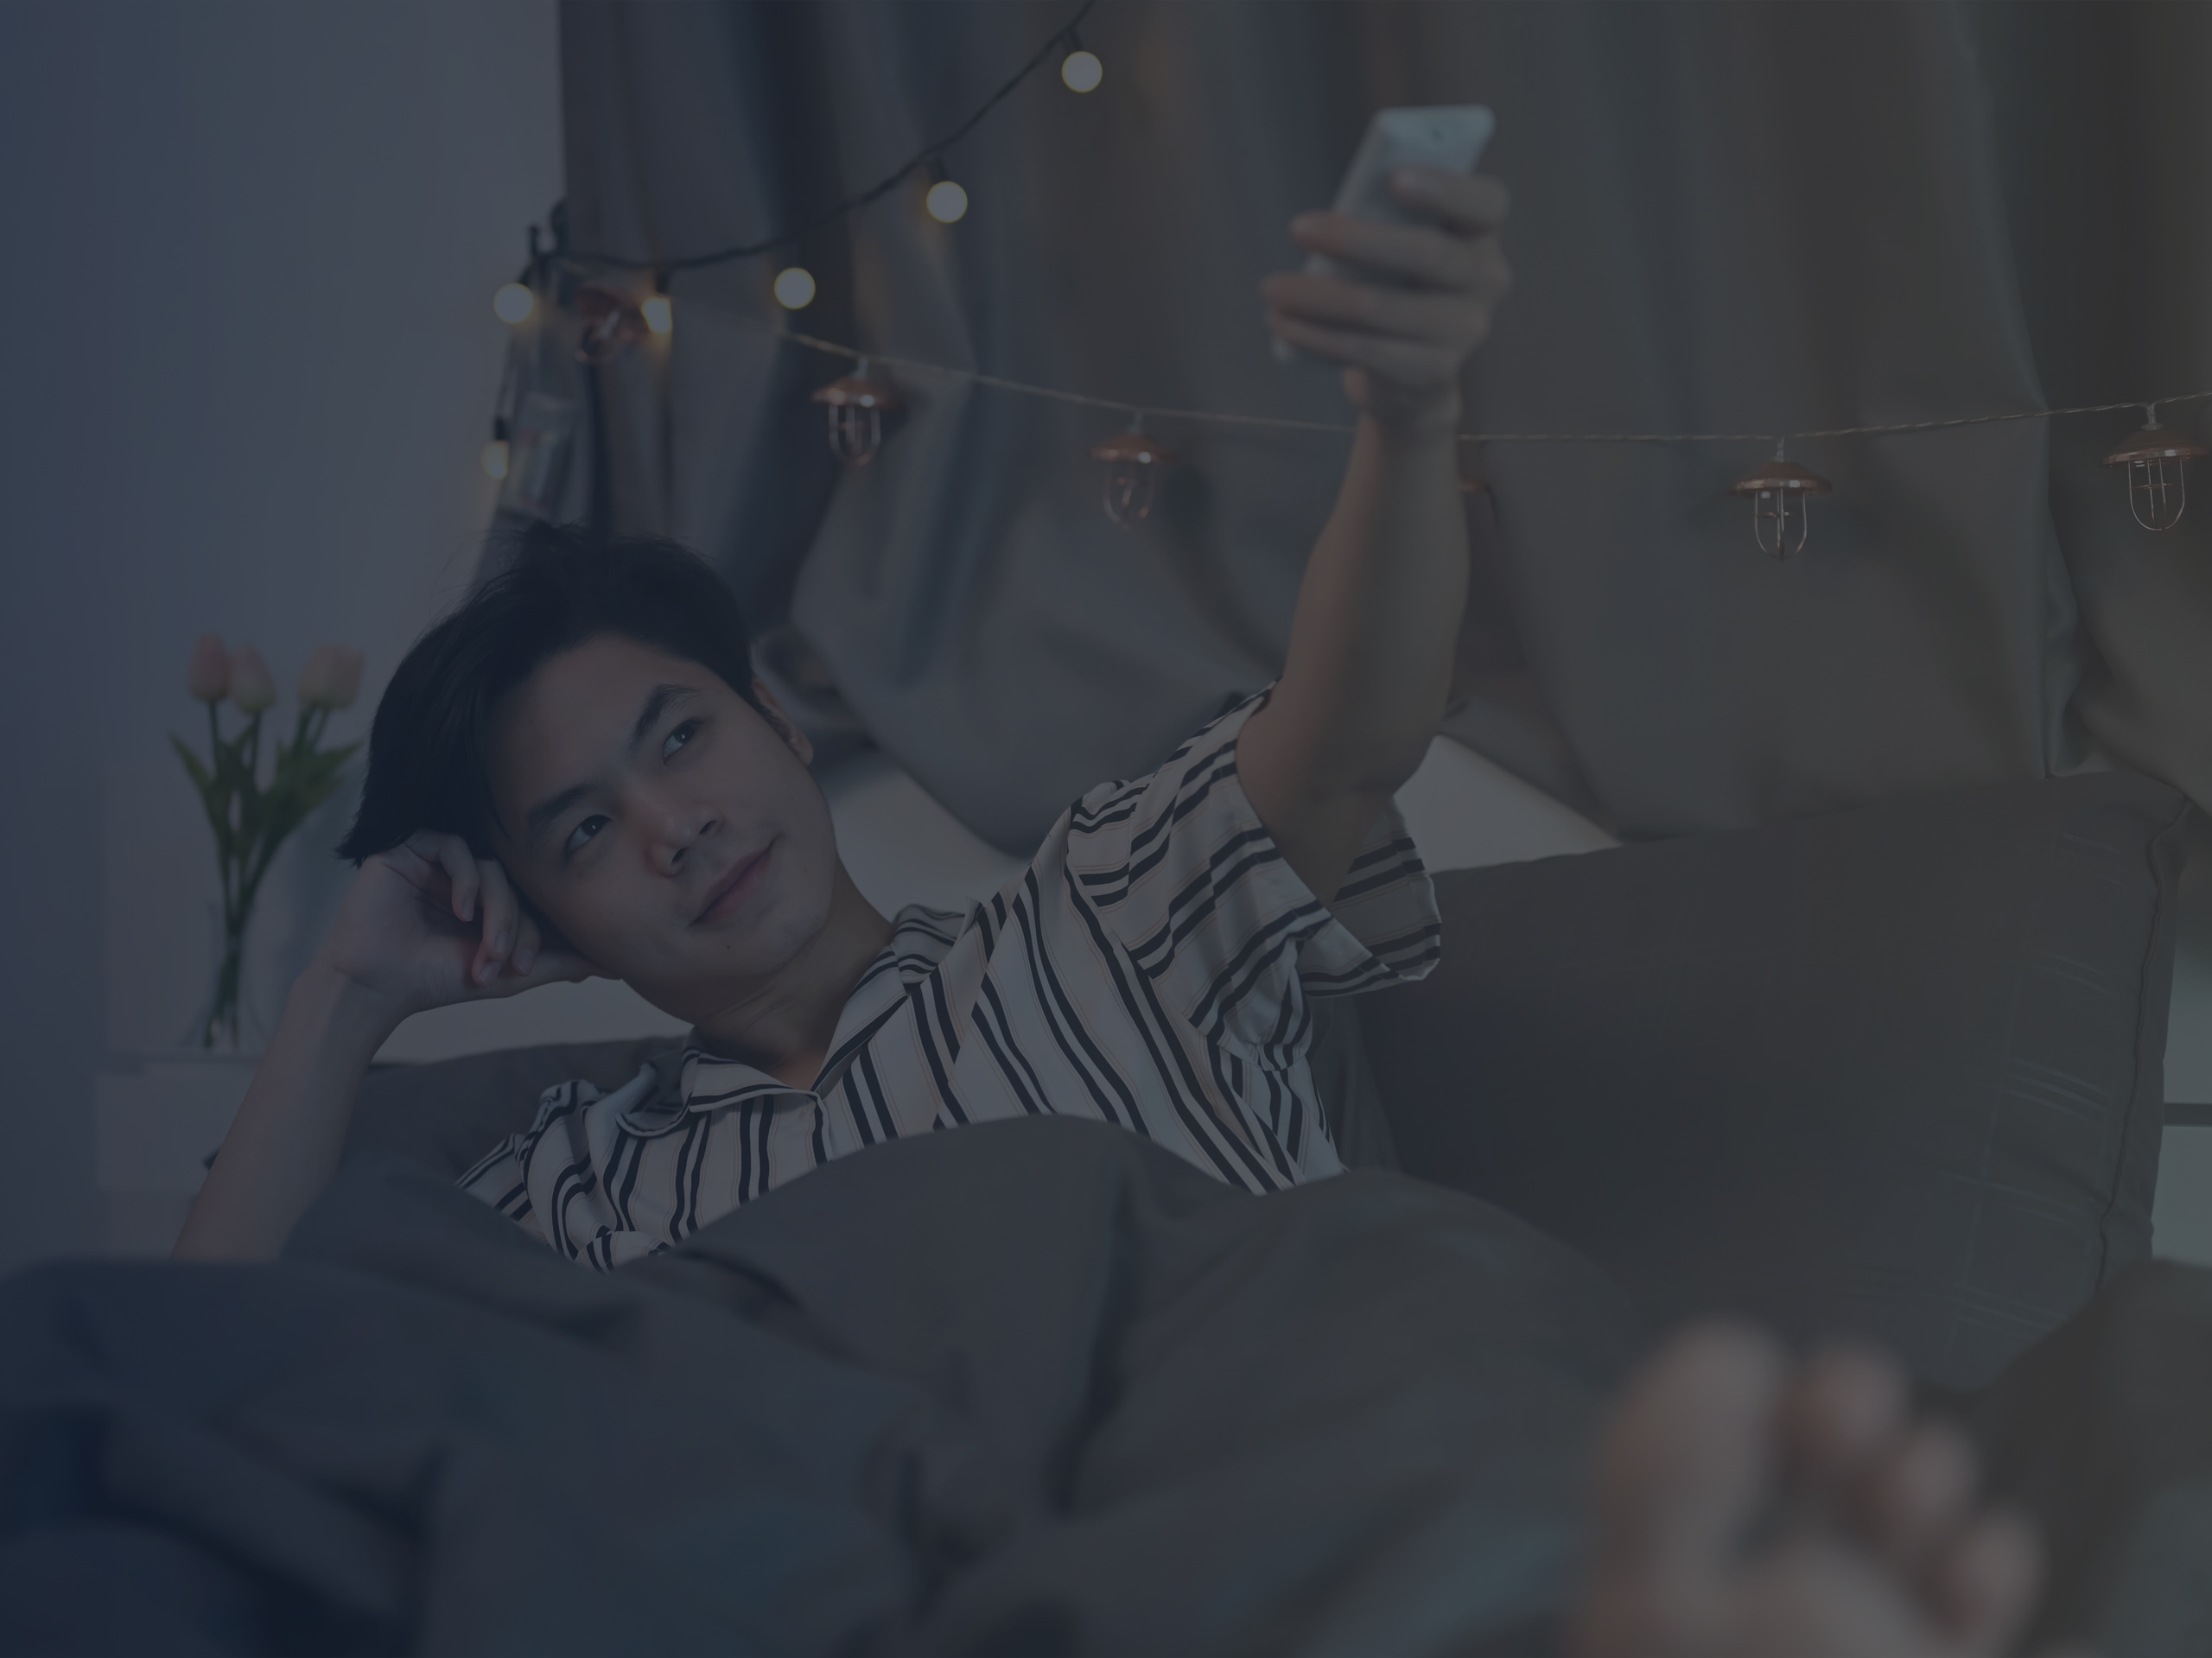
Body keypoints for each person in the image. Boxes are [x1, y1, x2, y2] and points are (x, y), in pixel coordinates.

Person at [169, 166, 2074, 1655]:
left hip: (1258, 1499)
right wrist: (344, 991)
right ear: (555, 922)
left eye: (680, 736)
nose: (673, 825)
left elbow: (1350, 718)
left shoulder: (1098, 912)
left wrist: (1404, 422)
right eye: (586, 828)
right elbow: (201, 1394)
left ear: (765, 709)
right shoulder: (579, 1194)